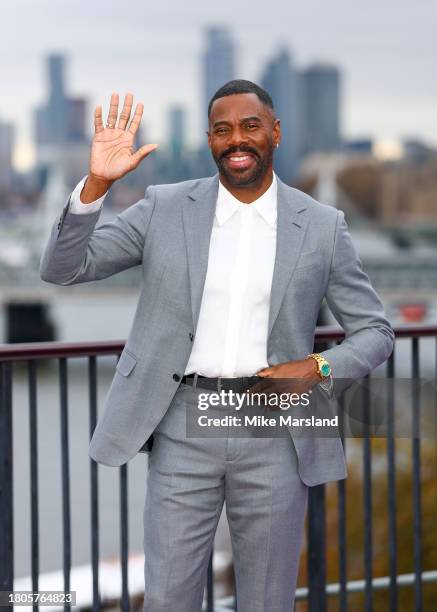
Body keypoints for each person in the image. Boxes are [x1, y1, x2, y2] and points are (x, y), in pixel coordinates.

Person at [40, 80, 395, 611]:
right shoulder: (163, 207)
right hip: (182, 423)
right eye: (223, 129)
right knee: (168, 599)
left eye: (250, 126)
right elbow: (64, 268)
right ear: (209, 139)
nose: (237, 139)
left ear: (274, 132)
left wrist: (319, 366)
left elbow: (376, 332)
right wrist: (95, 184)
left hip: (274, 428)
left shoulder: (323, 227)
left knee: (267, 600)